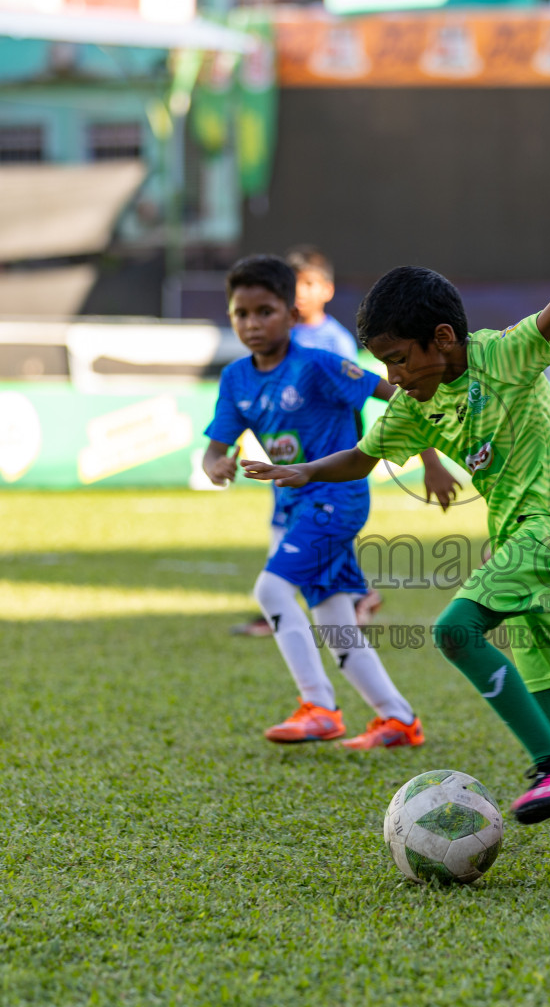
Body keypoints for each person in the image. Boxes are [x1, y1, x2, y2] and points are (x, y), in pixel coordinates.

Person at [243, 201, 550, 879]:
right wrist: (303, 469)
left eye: (399, 360)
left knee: (454, 631)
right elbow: (364, 457)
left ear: (444, 339)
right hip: (521, 544)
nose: (393, 377)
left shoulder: (505, 355)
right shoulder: (414, 404)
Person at [202, 255, 457, 749]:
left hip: (336, 498)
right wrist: (218, 466)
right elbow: (215, 449)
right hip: (291, 507)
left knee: (272, 591)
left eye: (265, 311)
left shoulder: (319, 365)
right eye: (241, 313)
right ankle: (397, 719)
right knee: (336, 621)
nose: (252, 324)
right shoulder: (236, 378)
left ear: (292, 315)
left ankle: (318, 705)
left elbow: (400, 395)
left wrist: (431, 460)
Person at [232, 246, 375, 637]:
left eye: (310, 284)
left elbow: (360, 395)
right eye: (296, 285)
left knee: (315, 530)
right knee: (287, 524)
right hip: (289, 461)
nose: (302, 292)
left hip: (329, 464)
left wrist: (357, 451)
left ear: (327, 289)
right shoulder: (277, 341)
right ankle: (351, 595)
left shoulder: (333, 343)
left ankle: (281, 601)